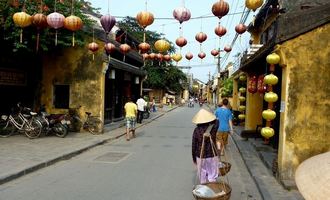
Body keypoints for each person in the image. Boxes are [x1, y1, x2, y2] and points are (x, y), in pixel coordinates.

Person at [192, 108, 219, 184]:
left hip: (200, 154)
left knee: (202, 172)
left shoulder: (197, 130)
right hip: (212, 154)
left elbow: (194, 145)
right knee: (212, 174)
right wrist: (211, 118)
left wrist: (194, 157)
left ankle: (204, 187)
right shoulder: (213, 128)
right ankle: (212, 187)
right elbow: (217, 121)